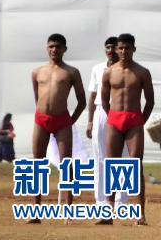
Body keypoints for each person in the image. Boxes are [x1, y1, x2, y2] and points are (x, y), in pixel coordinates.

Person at [30, 33, 86, 217]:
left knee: (66, 163)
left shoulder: (71, 72)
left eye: (58, 46)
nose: (54, 49)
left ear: (64, 49)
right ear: (47, 48)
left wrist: (70, 121)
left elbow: (82, 101)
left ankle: (68, 210)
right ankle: (36, 211)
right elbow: (37, 97)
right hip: (41, 120)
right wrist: (42, 112)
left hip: (62, 121)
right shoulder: (37, 72)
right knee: (37, 163)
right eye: (51, 46)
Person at [101, 33, 153, 225]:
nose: (124, 51)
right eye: (120, 48)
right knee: (112, 166)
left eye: (127, 48)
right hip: (115, 119)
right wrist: (112, 116)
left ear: (134, 49)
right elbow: (104, 99)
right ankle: (108, 212)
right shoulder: (109, 72)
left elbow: (150, 101)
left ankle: (140, 214)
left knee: (135, 166)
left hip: (134, 120)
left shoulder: (142, 72)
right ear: (116, 49)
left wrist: (140, 120)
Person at [86, 36, 126, 221]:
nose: (111, 49)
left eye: (114, 47)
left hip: (121, 113)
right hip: (101, 113)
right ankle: (102, 204)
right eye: (108, 47)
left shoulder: (128, 69)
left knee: (123, 159)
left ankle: (121, 203)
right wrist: (90, 120)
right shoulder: (97, 68)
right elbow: (93, 95)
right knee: (100, 160)